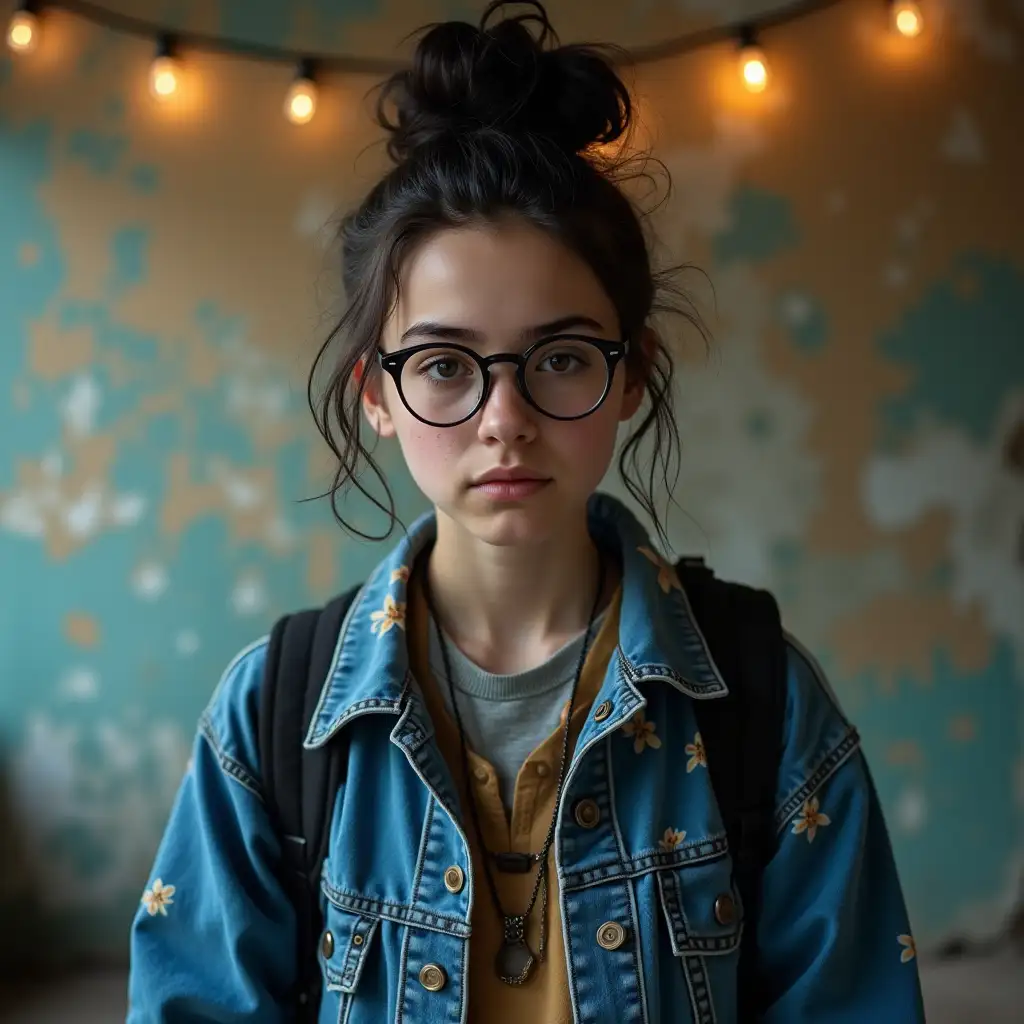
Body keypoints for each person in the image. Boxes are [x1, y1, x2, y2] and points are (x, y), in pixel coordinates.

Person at [128, 2, 926, 1021]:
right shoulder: (273, 717)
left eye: (556, 358)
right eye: (446, 366)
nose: (504, 420)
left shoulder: (759, 701)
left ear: (631, 372)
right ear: (376, 391)